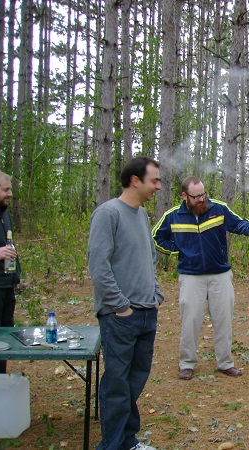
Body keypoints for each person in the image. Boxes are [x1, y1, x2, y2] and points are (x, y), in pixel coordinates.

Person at [152, 176, 249, 380]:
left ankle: (225, 362)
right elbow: (156, 237)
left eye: (203, 194)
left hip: (220, 274)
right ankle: (187, 363)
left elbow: (240, 224)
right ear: (185, 196)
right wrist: (177, 251)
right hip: (190, 276)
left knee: (223, 320)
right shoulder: (173, 216)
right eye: (196, 197)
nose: (201, 200)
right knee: (191, 320)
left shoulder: (218, 209)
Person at [88, 157, 164, 450]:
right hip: (120, 316)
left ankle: (128, 442)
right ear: (135, 180)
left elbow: (150, 259)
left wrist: (155, 295)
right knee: (117, 385)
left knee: (134, 383)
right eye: (154, 180)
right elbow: (99, 267)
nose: (158, 186)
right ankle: (112, 445)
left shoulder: (142, 215)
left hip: (146, 313)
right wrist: (121, 306)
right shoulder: (108, 214)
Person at [0, 170, 20, 374]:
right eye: (5, 189)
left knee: (4, 340)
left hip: (6, 286)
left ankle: (0, 383)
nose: (10, 193)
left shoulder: (4, 214)